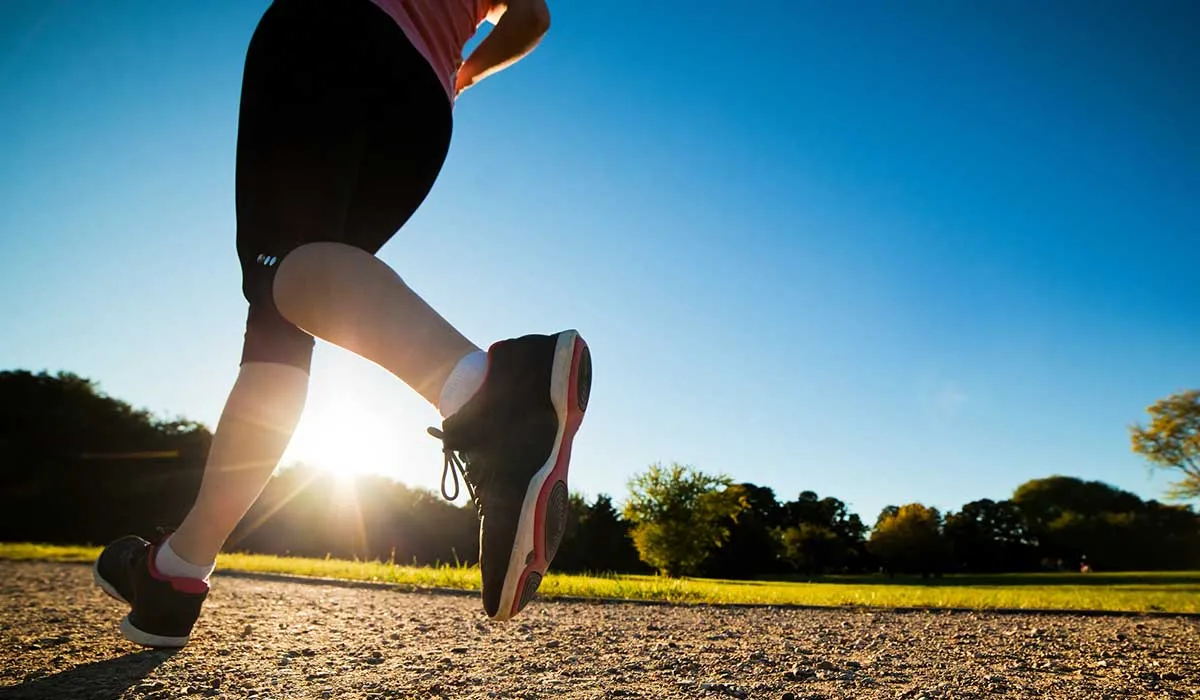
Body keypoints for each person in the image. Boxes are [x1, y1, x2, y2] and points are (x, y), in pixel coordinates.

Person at [92, 0, 591, 649]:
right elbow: (531, 17)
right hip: (421, 103)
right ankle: (177, 572)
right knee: (288, 307)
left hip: (332, 27)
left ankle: (490, 392)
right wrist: (463, 72)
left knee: (283, 269)